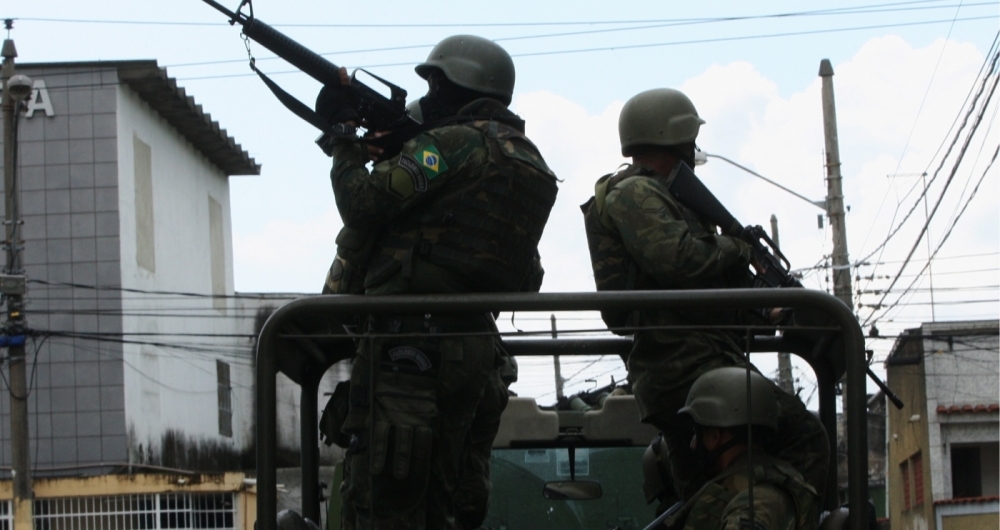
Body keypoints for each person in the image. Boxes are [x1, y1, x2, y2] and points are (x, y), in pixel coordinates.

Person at [328, 35, 558, 529]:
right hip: (474, 347)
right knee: (445, 498)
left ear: (459, 85)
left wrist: (343, 138)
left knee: (385, 492)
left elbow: (364, 204)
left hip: (410, 346)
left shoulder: (454, 144)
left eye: (434, 82)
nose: (428, 96)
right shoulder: (526, 159)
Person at [581, 88, 828, 506]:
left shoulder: (667, 197)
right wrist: (739, 246)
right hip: (685, 365)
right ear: (675, 136)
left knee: (699, 496)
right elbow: (677, 261)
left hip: (690, 362)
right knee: (803, 437)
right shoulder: (636, 192)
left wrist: (764, 306)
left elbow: (693, 288)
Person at [659, 367, 818, 530]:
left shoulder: (760, 500)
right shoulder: (742, 488)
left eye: (696, 434)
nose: (693, 445)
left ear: (714, 436)